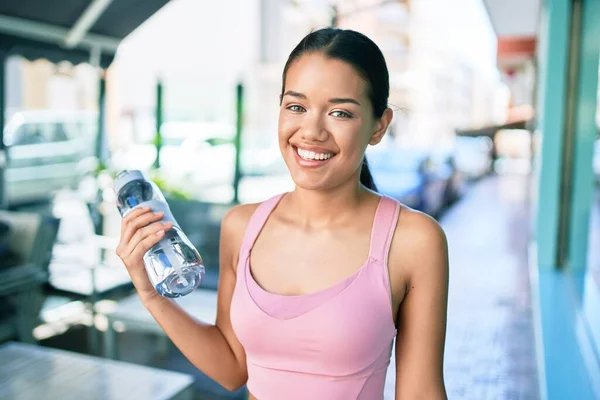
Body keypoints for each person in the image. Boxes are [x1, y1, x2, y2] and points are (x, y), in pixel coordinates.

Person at [116, 27, 449, 400]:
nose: (311, 131)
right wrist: (149, 292)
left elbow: (421, 393)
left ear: (379, 125)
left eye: (340, 112)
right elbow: (231, 369)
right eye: (296, 106)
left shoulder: (413, 241)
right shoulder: (242, 227)